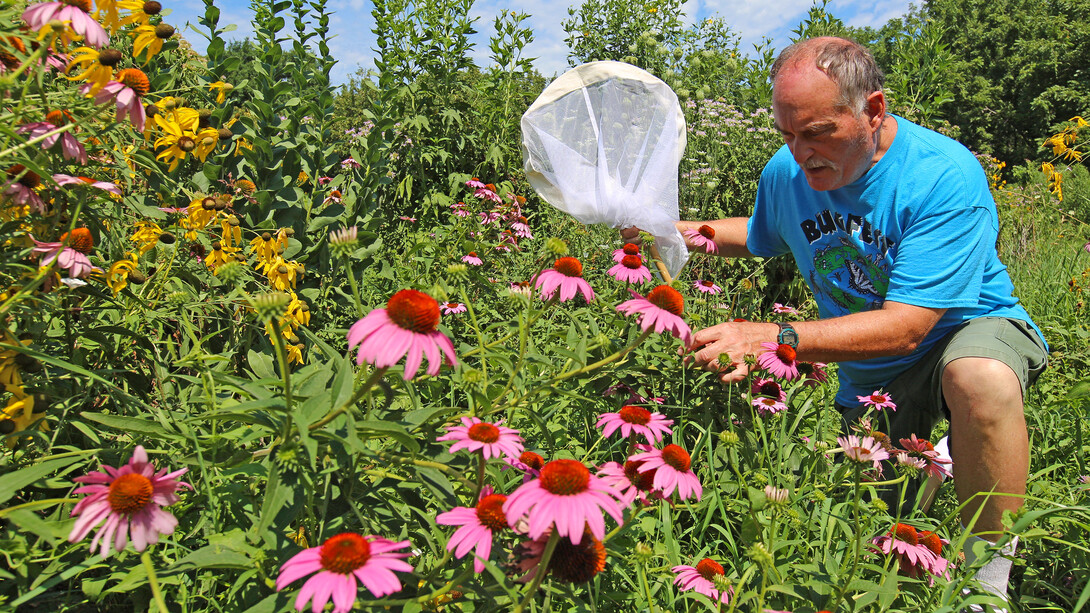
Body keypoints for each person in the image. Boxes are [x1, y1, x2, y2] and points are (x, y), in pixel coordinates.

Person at [624, 36, 1047, 609]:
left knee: (978, 378)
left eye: (818, 132)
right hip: (869, 371)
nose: (801, 152)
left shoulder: (943, 177)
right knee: (875, 536)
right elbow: (757, 235)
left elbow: (907, 328)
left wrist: (774, 337)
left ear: (873, 110)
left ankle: (987, 582)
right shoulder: (788, 171)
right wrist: (671, 231)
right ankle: (941, 459)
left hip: (964, 329)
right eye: (788, 135)